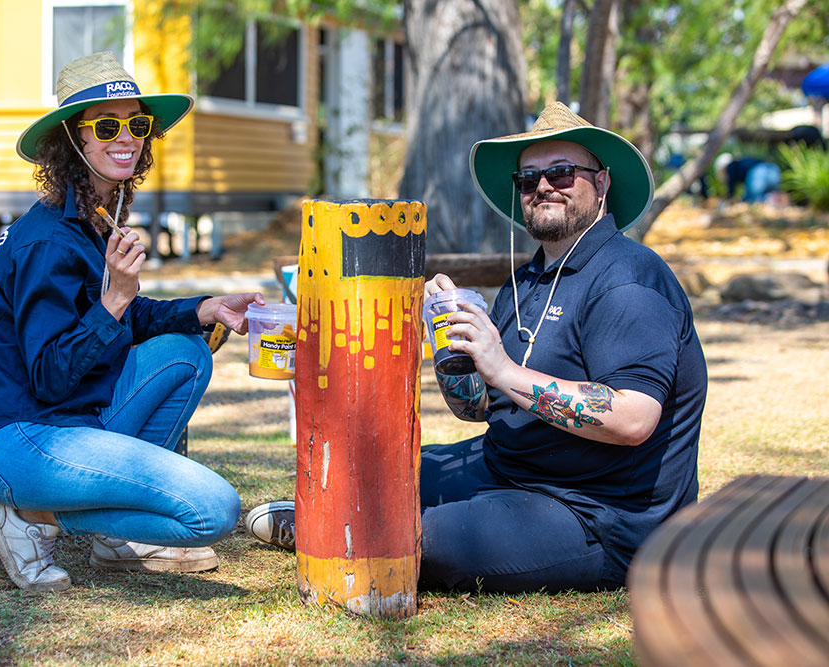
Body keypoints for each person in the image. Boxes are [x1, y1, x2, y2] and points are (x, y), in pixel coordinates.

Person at [245, 101, 707, 594]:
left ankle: (344, 531)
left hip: (600, 512)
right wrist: (453, 345)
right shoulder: (525, 279)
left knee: (413, 537)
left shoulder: (628, 280)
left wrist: (502, 367)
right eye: (528, 179)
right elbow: (477, 408)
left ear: (603, 182)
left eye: (562, 172)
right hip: (505, 466)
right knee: (370, 473)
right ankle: (336, 520)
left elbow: (633, 419)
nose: (544, 186)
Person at [0, 52, 264, 592]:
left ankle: (110, 538)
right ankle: (28, 517)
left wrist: (204, 308)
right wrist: (116, 299)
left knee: (186, 351)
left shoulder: (94, 217)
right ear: (70, 141)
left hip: (73, 422)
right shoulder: (46, 242)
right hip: (18, 440)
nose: (126, 137)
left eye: (137, 124)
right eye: (107, 125)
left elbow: (125, 318)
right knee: (214, 511)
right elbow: (49, 377)